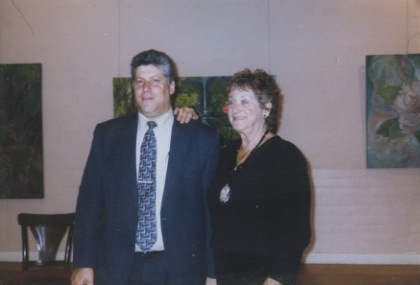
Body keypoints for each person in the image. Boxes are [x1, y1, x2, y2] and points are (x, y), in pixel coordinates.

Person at [71, 49, 220, 285]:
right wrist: (83, 262)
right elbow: (89, 203)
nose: (146, 88)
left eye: (154, 80)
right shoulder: (107, 135)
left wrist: (213, 273)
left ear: (171, 87)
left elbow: (212, 213)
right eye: (139, 81)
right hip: (117, 267)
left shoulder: (203, 139)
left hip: (182, 269)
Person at [206, 68, 311, 285]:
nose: (235, 109)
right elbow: (216, 221)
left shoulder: (286, 156)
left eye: (244, 101)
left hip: (264, 276)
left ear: (266, 108)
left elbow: (297, 231)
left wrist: (276, 279)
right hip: (224, 273)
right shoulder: (225, 153)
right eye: (232, 101)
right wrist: (211, 275)